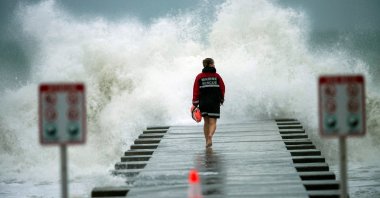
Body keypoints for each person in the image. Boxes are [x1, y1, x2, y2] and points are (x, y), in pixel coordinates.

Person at [192, 58, 225, 148]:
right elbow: (222, 88)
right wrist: (221, 99)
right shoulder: (217, 76)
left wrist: (195, 103)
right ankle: (210, 136)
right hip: (214, 101)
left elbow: (196, 90)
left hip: (203, 102)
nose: (214, 65)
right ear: (210, 64)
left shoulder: (199, 77)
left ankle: (207, 140)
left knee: (206, 122)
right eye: (213, 63)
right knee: (213, 122)